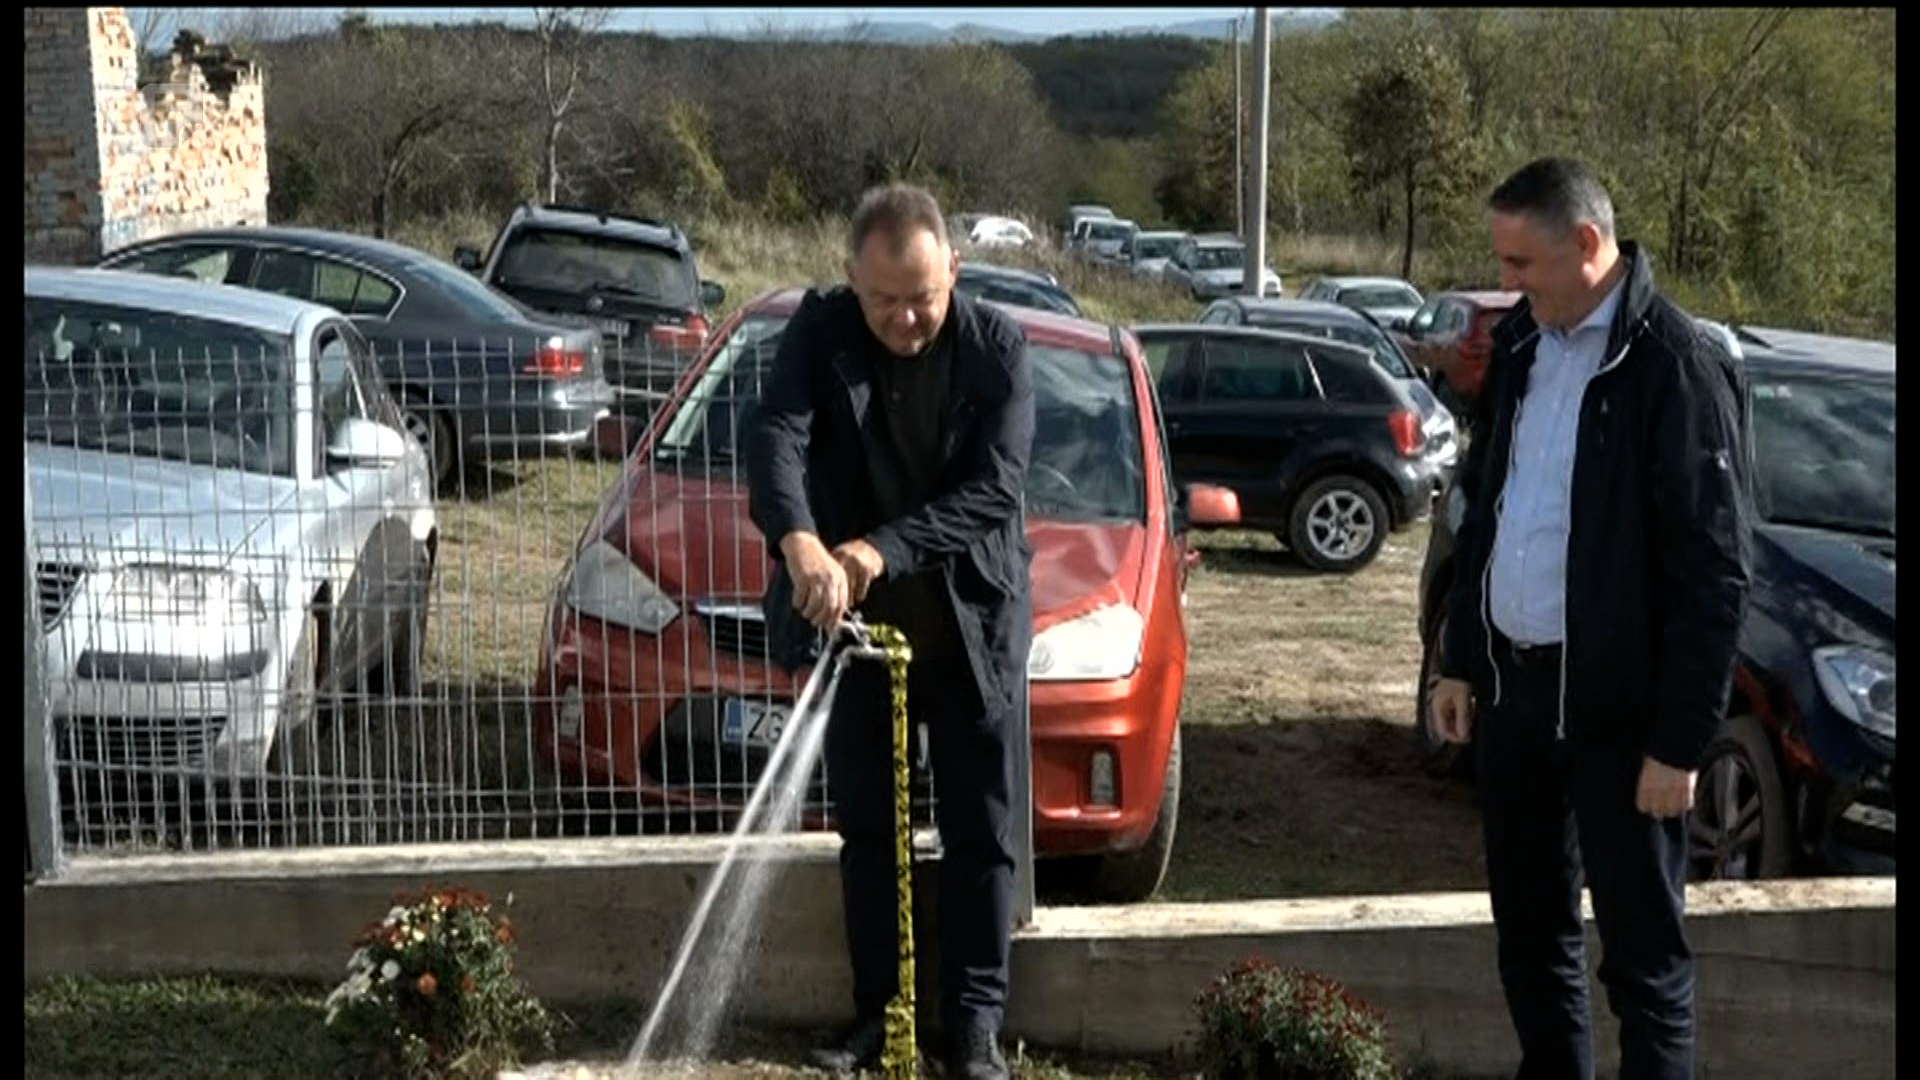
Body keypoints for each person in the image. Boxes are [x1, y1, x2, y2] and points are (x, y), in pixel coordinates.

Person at [1428, 157, 1753, 1080]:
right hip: (1517, 700)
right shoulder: (1526, 351)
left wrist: (1680, 744)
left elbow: (1715, 575)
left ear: (1585, 243)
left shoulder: (1677, 367)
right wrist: (1461, 660)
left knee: (1644, 964)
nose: (1505, 283)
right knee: (1531, 940)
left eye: (1520, 262)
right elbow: (1488, 506)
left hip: (1624, 720)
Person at [743, 182, 1035, 1080]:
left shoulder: (999, 347)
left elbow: (994, 490)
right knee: (869, 828)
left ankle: (976, 1024)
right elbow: (775, 435)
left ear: (953, 267)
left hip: (970, 627)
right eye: (883, 302)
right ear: (850, 280)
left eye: (922, 297)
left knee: (981, 831)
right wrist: (801, 544)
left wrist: (879, 548)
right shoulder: (819, 332)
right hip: (859, 638)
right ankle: (879, 1015)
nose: (905, 319)